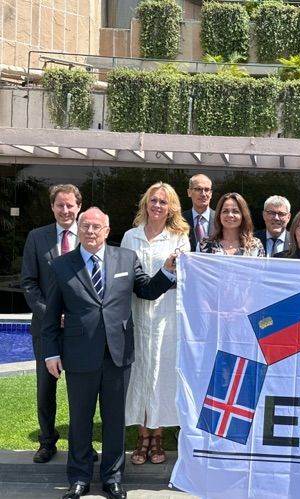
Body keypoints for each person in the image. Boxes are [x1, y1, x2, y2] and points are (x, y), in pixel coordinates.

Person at [41, 207, 177, 499]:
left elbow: (148, 290)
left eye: (97, 227)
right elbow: (50, 316)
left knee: (114, 421)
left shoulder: (125, 257)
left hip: (118, 354)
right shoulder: (62, 265)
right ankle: (78, 478)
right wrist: (51, 353)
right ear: (79, 229)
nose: (91, 232)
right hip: (79, 355)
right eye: (86, 226)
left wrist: (167, 270)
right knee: (80, 419)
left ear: (107, 229)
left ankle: (113, 478)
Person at [121, 182, 190, 466]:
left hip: (167, 314)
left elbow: (184, 277)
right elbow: (125, 276)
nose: (158, 206)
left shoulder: (180, 237)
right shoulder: (130, 236)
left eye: (163, 201)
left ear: (171, 206)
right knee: (140, 369)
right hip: (138, 311)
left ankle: (158, 434)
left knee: (162, 371)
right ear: (145, 204)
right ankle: (142, 434)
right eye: (153, 200)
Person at [20, 184, 82, 464]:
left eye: (70, 205)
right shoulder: (37, 237)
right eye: (60, 205)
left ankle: (82, 443)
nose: (65, 210)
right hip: (47, 328)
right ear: (52, 207)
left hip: (80, 329)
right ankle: (47, 442)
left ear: (78, 207)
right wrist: (50, 313)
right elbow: (29, 283)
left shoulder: (91, 235)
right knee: (46, 387)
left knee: (81, 389)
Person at [200, 192, 265, 256]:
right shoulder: (204, 244)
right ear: (219, 215)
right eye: (225, 211)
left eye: (235, 211)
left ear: (243, 216)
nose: (230, 215)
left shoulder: (254, 245)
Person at [182, 173, 214, 252]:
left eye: (207, 189)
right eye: (198, 189)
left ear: (211, 193)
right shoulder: (180, 219)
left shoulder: (220, 219)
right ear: (189, 192)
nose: (203, 194)